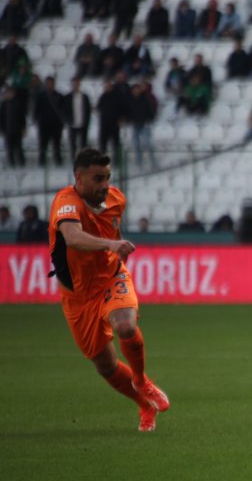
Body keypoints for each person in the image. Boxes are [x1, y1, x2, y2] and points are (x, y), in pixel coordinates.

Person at [48, 149, 171, 432]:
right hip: (77, 295)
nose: (105, 184)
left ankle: (141, 380)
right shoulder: (66, 202)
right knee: (105, 366)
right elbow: (73, 237)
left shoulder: (117, 200)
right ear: (79, 178)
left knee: (125, 324)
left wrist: (114, 250)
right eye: (98, 178)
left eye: (108, 177)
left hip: (111, 277)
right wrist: (111, 244)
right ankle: (143, 404)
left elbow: (110, 235)